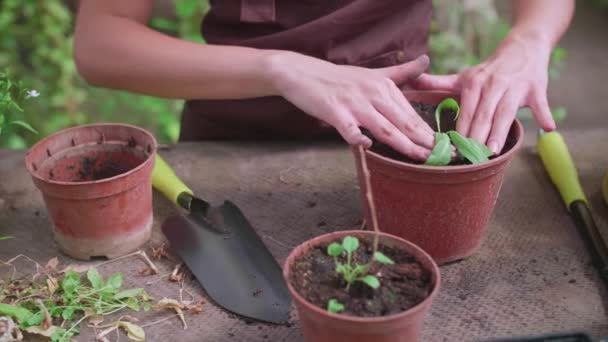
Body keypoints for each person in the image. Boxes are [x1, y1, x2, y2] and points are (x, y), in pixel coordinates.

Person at [73, 0, 574, 161]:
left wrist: (528, 42)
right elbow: (102, 43)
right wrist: (281, 67)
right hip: (236, 144)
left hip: (398, 137)